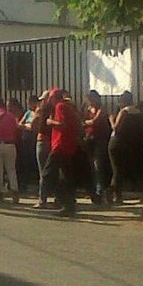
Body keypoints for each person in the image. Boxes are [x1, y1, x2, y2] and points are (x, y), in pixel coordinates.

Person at [42, 88, 82, 217]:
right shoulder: (69, 107)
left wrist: (50, 121)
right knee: (66, 176)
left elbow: (62, 125)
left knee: (47, 174)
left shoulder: (60, 106)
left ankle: (64, 201)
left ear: (54, 98)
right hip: (68, 145)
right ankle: (70, 204)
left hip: (60, 145)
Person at [108, 91, 143, 201]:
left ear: (124, 101)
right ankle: (116, 194)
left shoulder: (124, 111)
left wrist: (111, 119)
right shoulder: (137, 112)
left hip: (116, 142)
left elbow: (116, 127)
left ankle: (112, 192)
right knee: (121, 169)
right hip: (128, 143)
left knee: (116, 169)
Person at [0, 96, 21, 204]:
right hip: (10, 145)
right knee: (11, 169)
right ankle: (15, 192)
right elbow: (16, 130)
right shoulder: (11, 117)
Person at [83, 90, 112, 204]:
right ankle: (94, 190)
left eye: (91, 98)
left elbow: (95, 121)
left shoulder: (102, 108)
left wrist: (85, 122)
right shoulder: (87, 109)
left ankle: (101, 190)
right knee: (91, 166)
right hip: (89, 139)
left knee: (98, 165)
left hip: (100, 139)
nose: (90, 101)